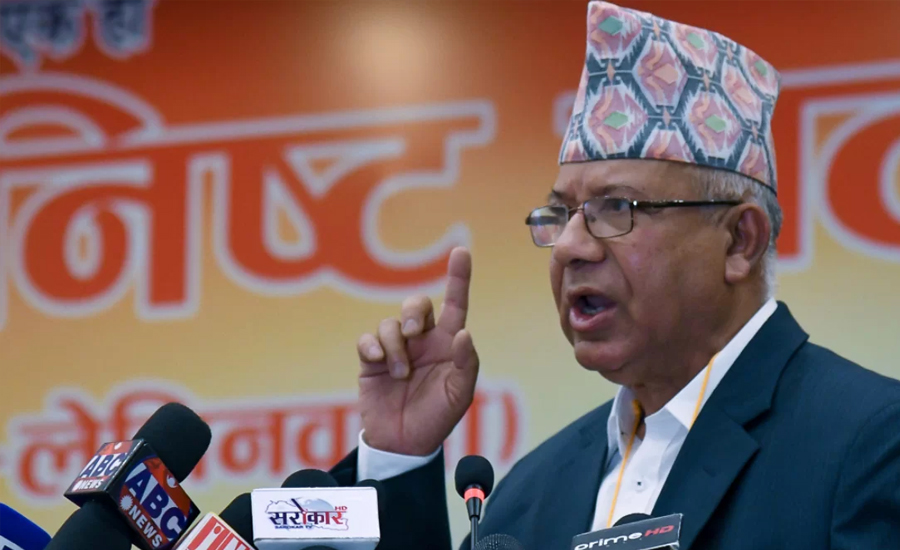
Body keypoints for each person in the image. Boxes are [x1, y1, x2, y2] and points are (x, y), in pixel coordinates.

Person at [330, 2, 900, 549]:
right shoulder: (529, 495)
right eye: (562, 214)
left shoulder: (870, 443)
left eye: (617, 208)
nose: (570, 246)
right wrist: (399, 458)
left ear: (738, 241)